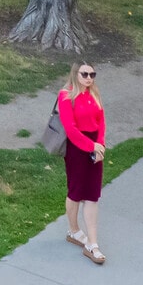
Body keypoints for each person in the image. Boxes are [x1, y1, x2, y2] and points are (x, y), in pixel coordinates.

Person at [59, 62, 108, 265]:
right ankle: (73, 230)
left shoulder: (94, 93)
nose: (89, 78)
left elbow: (101, 120)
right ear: (75, 74)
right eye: (85, 74)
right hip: (77, 148)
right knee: (76, 192)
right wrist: (91, 146)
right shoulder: (66, 96)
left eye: (92, 74)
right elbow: (70, 129)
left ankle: (92, 244)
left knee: (92, 195)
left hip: (94, 146)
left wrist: (100, 145)